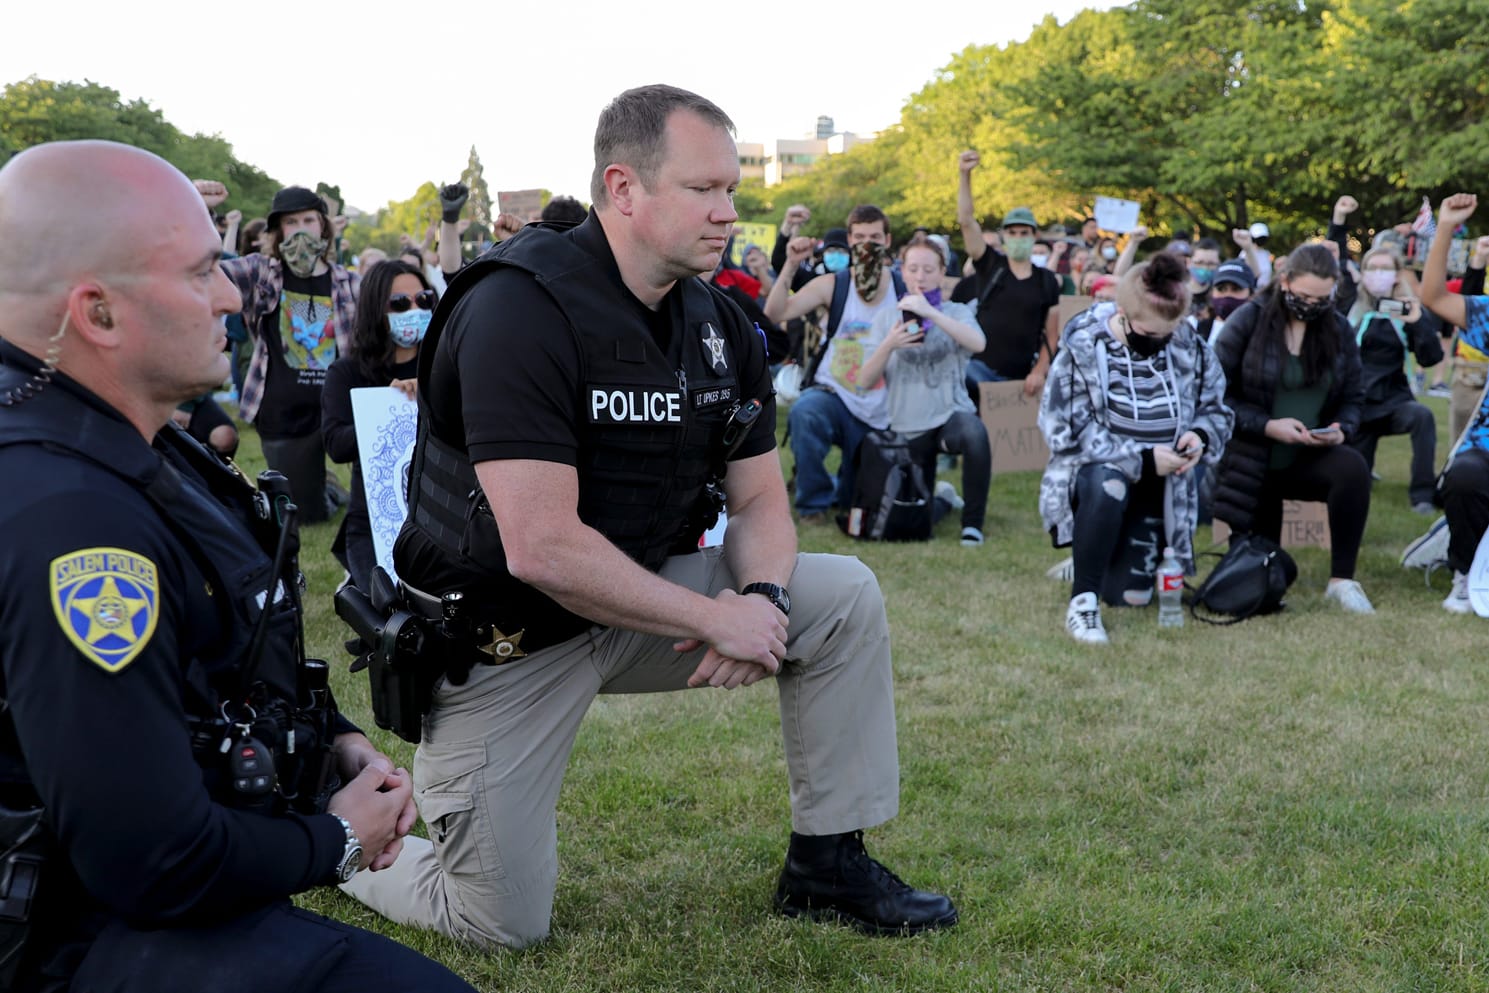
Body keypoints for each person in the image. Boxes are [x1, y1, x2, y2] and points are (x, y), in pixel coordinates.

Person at [340, 84, 957, 948]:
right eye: (703, 189)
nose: (727, 211)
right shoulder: (518, 308)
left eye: (731, 189)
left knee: (841, 595)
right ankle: (342, 843)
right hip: (507, 635)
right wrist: (715, 618)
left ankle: (827, 859)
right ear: (623, 189)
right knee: (496, 921)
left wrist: (766, 607)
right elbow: (541, 546)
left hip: (637, 604)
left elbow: (759, 500)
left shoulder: (721, 323)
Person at [0, 140, 474, 993]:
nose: (227, 295)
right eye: (199, 273)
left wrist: (334, 740)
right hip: (68, 937)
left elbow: (217, 659)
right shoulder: (71, 518)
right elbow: (151, 860)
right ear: (98, 315)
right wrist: (333, 839)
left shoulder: (129, 445)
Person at [1039, 253, 1234, 643]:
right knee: (1108, 484)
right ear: (1123, 313)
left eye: (1167, 333)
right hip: (1099, 475)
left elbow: (1217, 409)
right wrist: (1142, 458)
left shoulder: (1190, 346)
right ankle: (1083, 603)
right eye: (1148, 334)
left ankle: (1092, 557)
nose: (1158, 342)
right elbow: (1061, 429)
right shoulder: (1083, 344)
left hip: (1163, 482)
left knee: (1131, 597)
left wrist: (1200, 436)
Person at [1211, 242, 1375, 613]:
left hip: (1308, 454)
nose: (1312, 305)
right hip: (1253, 459)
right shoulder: (1248, 320)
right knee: (1259, 582)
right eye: (1304, 296)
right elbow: (1215, 396)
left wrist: (1342, 429)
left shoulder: (1337, 328)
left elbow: (1354, 396)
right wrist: (1267, 426)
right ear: (1284, 281)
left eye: (1323, 298)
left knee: (1352, 467)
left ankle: (1342, 580)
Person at [218, 183, 360, 524]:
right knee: (306, 516)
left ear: (323, 226)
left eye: (308, 221)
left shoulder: (349, 283)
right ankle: (325, 488)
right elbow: (207, 270)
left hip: (338, 408)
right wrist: (209, 214)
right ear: (277, 231)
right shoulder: (262, 272)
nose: (300, 231)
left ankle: (327, 482)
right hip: (284, 414)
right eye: (291, 223)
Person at [764, 206, 905, 523]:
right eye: (860, 237)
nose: (867, 244)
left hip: (884, 404)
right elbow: (775, 314)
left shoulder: (903, 286)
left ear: (888, 240)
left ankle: (842, 489)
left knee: (855, 498)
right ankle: (812, 504)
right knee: (806, 412)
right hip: (835, 395)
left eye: (875, 237)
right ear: (850, 239)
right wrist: (790, 266)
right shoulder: (834, 284)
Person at [858, 234, 991, 546]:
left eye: (929, 269)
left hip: (949, 416)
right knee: (915, 518)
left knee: (975, 433)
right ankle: (943, 498)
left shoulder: (955, 312)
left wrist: (931, 313)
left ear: (942, 272)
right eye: (914, 268)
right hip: (907, 427)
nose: (921, 276)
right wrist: (889, 344)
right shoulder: (886, 319)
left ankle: (973, 525)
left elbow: (978, 344)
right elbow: (864, 381)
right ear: (902, 272)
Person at [321, 260, 432, 592]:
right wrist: (387, 409)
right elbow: (336, 444)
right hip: (372, 523)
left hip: (440, 521)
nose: (414, 309)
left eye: (423, 299)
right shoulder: (346, 373)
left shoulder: (445, 363)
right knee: (387, 609)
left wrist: (429, 397)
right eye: (400, 303)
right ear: (375, 310)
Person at [1416, 193, 1489, 613]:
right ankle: (1466, 573)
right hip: (1485, 449)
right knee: (1463, 476)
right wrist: (1444, 227)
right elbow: (1435, 298)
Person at [954, 151, 1061, 400]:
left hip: (1021, 382)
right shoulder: (991, 265)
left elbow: (1051, 335)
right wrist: (964, 175)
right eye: (1012, 233)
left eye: (1024, 233)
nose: (1018, 238)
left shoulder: (1047, 281)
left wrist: (1039, 370)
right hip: (977, 371)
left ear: (1034, 236)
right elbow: (966, 220)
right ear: (1004, 236)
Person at [1347, 246, 1442, 513]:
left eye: (1385, 268)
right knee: (1356, 483)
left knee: (1422, 416)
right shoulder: (1351, 308)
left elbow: (1430, 358)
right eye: (1372, 268)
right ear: (1362, 273)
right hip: (1359, 406)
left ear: (1397, 275)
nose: (1378, 274)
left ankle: (1423, 494)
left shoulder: (1406, 311)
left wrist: (1417, 321)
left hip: (1394, 401)